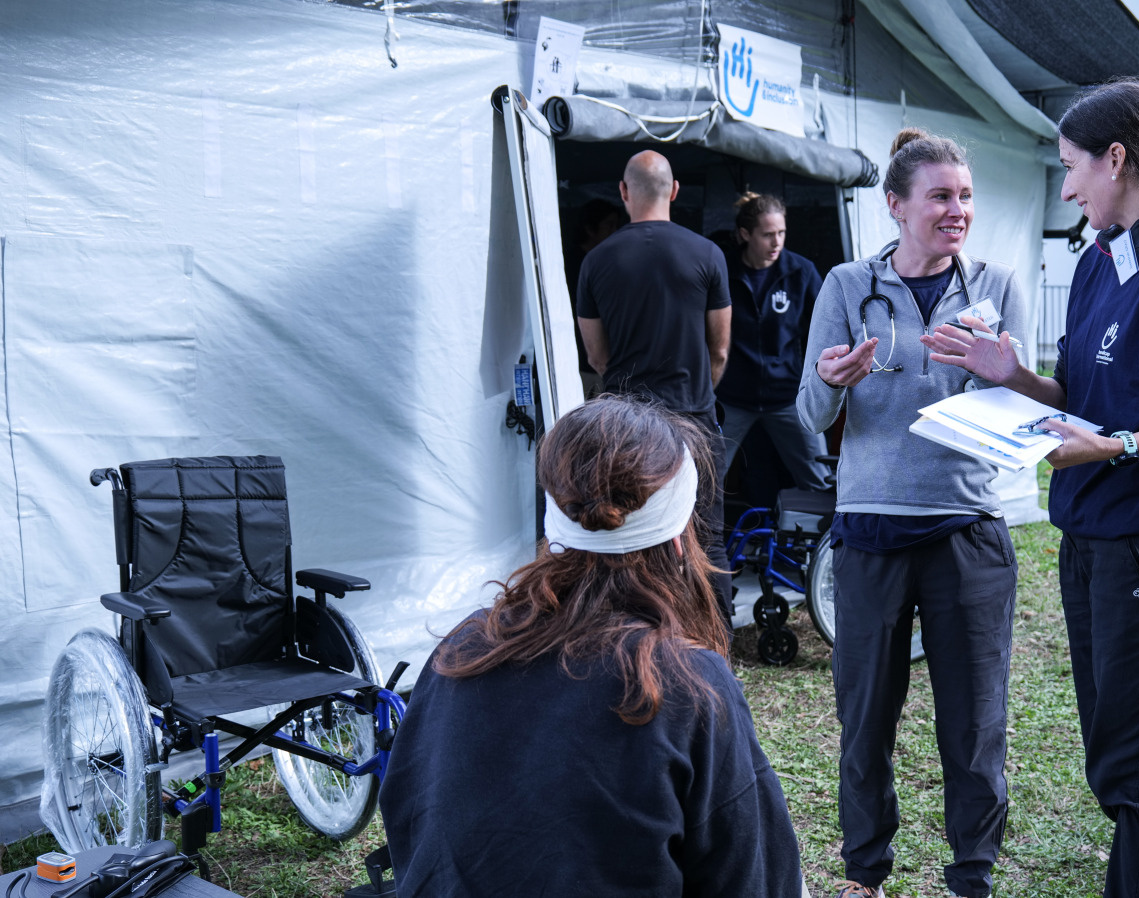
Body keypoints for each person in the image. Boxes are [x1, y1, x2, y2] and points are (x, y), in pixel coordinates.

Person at [923, 79, 1139, 898]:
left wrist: (1120, 445)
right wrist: (1015, 377)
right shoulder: (1101, 256)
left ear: (1116, 159)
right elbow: (1079, 394)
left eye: (1071, 168)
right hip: (1089, 536)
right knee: (1114, 762)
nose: (1064, 188)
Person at [379, 396, 805, 898]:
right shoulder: (689, 681)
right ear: (679, 539)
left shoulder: (469, 644)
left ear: (553, 520)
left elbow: (406, 815)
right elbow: (757, 879)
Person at [797, 127, 1023, 898]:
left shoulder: (995, 286)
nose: (957, 209)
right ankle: (866, 874)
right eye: (941, 196)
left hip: (966, 530)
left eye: (964, 196)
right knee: (864, 724)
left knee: (974, 726)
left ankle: (971, 876)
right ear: (896, 206)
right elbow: (807, 410)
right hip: (869, 533)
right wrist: (832, 381)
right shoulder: (843, 286)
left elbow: (1022, 410)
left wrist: (1005, 378)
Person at [576, 150, 734, 620]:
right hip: (694, 418)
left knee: (630, 541)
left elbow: (596, 355)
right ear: (675, 190)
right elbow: (720, 350)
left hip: (625, 428)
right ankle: (716, 652)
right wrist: (697, 394)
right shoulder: (708, 254)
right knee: (707, 539)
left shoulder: (597, 261)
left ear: (624, 192)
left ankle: (635, 643)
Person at [717, 191, 830, 492]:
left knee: (819, 477)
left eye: (781, 233)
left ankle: (828, 540)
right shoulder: (723, 272)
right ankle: (701, 540)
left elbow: (827, 328)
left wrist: (814, 379)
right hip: (732, 398)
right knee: (705, 479)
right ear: (745, 234)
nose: (776, 242)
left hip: (788, 396)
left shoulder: (801, 271)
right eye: (768, 235)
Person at [563, 198, 623, 397]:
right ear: (590, 229)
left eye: (617, 225)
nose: (614, 231)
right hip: (580, 358)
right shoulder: (574, 263)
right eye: (609, 225)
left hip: (599, 359)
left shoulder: (603, 262)